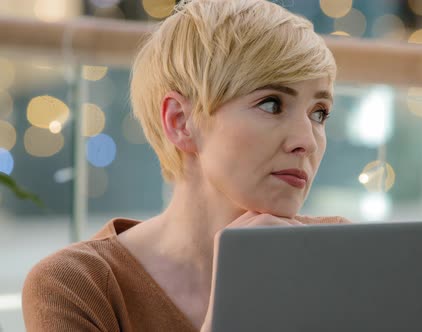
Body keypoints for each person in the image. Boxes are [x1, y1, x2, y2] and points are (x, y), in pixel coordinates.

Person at [22, 0, 350, 330]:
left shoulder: (341, 250)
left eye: (319, 113)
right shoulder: (76, 286)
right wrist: (236, 302)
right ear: (181, 121)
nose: (307, 141)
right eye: (271, 104)